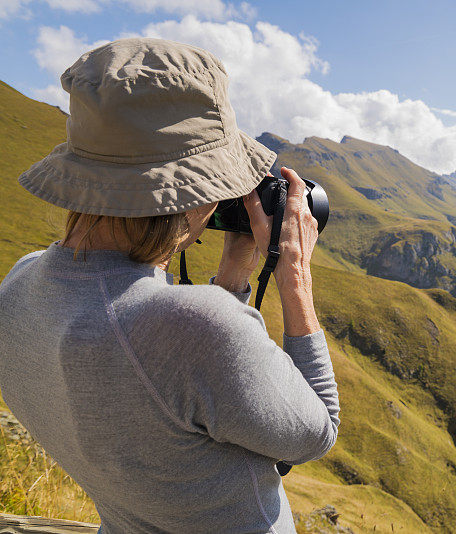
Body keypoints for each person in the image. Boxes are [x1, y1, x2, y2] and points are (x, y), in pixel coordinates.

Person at [0, 38, 339, 533]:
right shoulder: (194, 327)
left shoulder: (18, 289)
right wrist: (295, 273)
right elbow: (316, 432)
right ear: (190, 190)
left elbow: (164, 393)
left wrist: (234, 272)